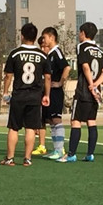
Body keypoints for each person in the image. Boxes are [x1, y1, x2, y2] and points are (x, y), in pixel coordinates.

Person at [1, 23, 51, 167]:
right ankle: (27, 159)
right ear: (35, 37)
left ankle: (10, 158)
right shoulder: (42, 55)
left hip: (19, 95)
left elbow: (8, 76)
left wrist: (5, 92)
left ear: (22, 36)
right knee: (31, 128)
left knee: (14, 127)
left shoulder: (15, 53)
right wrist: (46, 95)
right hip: (35, 96)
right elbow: (48, 77)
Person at [57, 22, 103, 163]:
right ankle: (90, 154)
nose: (79, 35)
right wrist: (96, 85)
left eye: (80, 32)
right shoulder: (99, 50)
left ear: (83, 33)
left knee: (76, 121)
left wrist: (90, 84)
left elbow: (85, 67)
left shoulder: (82, 47)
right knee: (91, 121)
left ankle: (71, 154)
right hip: (96, 93)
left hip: (83, 91)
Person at [38, 27, 70, 160]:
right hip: (49, 92)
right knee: (51, 120)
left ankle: (60, 150)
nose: (43, 41)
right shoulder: (50, 54)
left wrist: (60, 82)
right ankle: (56, 149)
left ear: (51, 37)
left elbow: (66, 67)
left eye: (44, 37)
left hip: (56, 92)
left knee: (56, 119)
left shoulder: (57, 52)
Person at [32, 35, 50, 155]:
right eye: (41, 47)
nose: (43, 49)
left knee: (53, 120)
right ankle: (41, 145)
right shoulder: (39, 58)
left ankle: (59, 148)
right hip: (38, 92)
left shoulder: (52, 57)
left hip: (49, 93)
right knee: (39, 119)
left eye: (45, 47)